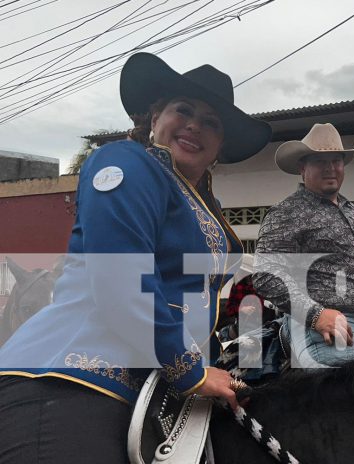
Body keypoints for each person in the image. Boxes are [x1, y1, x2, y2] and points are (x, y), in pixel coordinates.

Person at [0, 52, 271, 463]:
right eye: (183, 110)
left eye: (211, 122)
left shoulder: (203, 203)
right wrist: (192, 372)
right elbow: (122, 278)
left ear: (219, 146)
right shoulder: (125, 162)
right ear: (155, 115)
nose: (195, 124)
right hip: (71, 379)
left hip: (154, 392)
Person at [253, 123, 354, 367]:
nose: (330, 168)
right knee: (341, 396)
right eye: (320, 161)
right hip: (325, 326)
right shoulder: (286, 212)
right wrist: (316, 315)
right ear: (302, 167)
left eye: (336, 160)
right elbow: (266, 274)